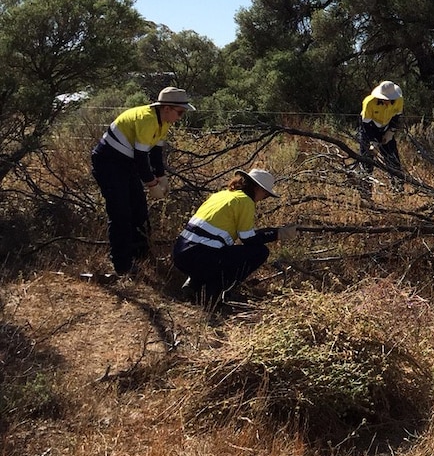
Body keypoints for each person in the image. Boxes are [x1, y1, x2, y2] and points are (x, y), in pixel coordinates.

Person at [91, 86, 194, 276]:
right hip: (109, 162)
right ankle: (122, 265)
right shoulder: (147, 119)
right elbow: (141, 158)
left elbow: (155, 154)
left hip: (125, 162)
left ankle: (141, 256)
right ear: (167, 108)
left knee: (139, 210)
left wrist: (161, 176)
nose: (180, 117)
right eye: (180, 112)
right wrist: (152, 184)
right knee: (121, 213)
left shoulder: (163, 122)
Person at [172, 168, 297, 306]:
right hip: (200, 256)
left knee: (222, 251)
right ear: (257, 188)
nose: (264, 197)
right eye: (266, 194)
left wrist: (274, 232)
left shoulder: (222, 195)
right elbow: (248, 239)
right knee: (259, 252)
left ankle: (194, 285)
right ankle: (213, 295)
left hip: (180, 253)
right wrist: (277, 234)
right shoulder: (245, 201)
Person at [358, 80, 404, 193]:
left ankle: (398, 189)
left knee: (393, 160)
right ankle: (365, 192)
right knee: (366, 161)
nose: (387, 101)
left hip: (386, 129)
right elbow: (365, 124)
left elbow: (397, 118)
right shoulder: (369, 102)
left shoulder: (399, 100)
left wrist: (390, 132)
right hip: (370, 129)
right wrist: (372, 142)